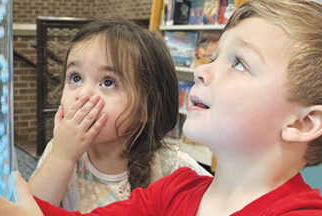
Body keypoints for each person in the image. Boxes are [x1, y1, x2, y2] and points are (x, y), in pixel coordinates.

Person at [0, 0, 322, 216]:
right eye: (212, 55)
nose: (201, 69)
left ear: (304, 121)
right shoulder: (174, 194)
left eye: (238, 63)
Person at [29, 18, 209, 212]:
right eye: (76, 78)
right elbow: (25, 210)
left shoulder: (173, 168)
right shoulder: (59, 150)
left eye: (108, 82)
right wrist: (62, 156)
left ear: (146, 108)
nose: (83, 93)